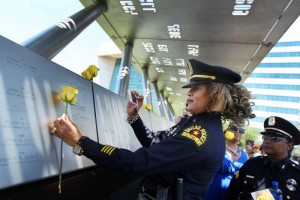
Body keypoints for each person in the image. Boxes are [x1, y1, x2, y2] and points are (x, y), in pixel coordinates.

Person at [48, 59, 254, 200]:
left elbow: (139, 162)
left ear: (215, 94)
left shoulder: (200, 135)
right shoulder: (196, 124)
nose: (189, 92)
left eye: (196, 88)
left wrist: (80, 142)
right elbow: (156, 146)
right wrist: (134, 117)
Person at [224, 116, 300, 200]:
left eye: (274, 138)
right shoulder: (251, 164)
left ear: (289, 145)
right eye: (265, 137)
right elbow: (231, 194)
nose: (267, 141)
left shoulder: (296, 174)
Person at [205, 123, 248, 200]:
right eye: (234, 128)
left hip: (231, 194)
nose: (238, 131)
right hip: (211, 190)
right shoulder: (216, 147)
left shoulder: (244, 155)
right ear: (227, 130)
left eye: (241, 130)